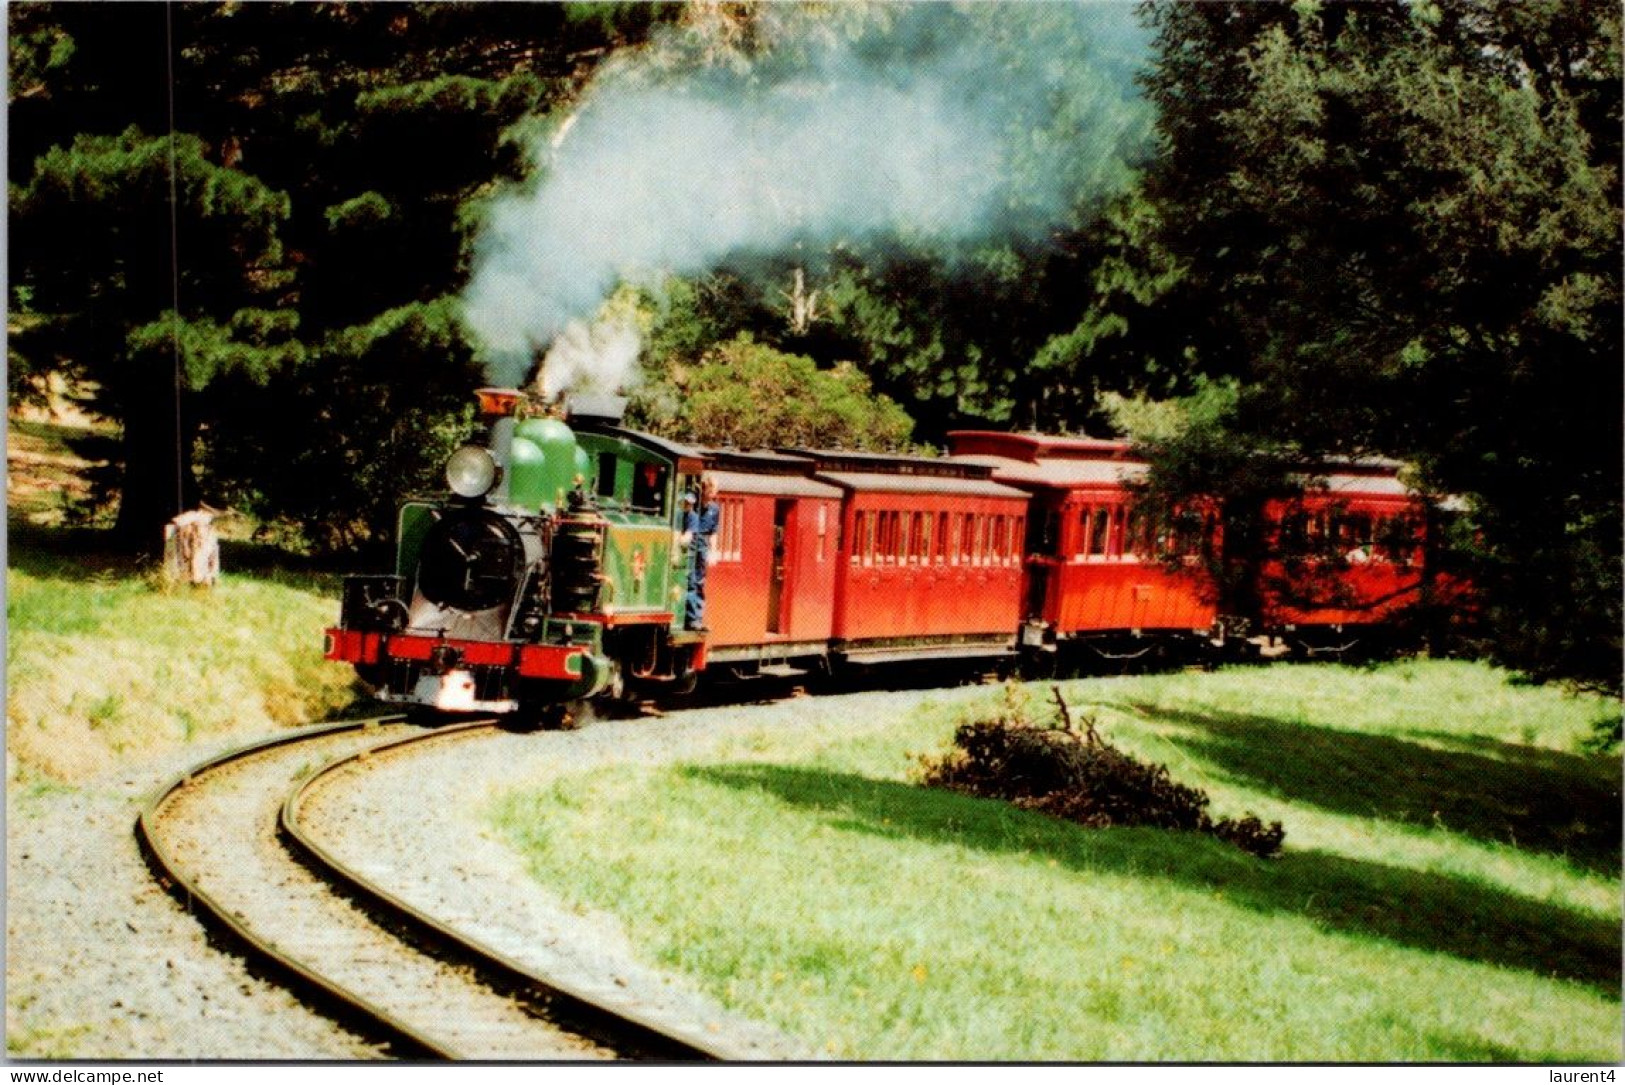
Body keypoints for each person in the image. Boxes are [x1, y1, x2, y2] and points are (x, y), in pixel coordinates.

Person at [683, 477, 720, 631]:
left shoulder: (715, 509)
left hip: (703, 543)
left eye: (713, 493)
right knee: (690, 579)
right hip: (692, 542)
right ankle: (691, 618)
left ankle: (697, 618)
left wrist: (713, 550)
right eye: (709, 492)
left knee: (699, 581)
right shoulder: (693, 505)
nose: (711, 496)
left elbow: (714, 532)